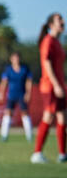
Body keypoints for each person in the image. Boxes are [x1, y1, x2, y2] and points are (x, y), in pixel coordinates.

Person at [31, 12, 66, 164]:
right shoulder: (48, 41)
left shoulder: (58, 42)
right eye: (60, 20)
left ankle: (62, 154)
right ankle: (37, 153)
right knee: (49, 116)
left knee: (63, 116)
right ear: (51, 25)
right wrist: (57, 84)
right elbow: (47, 64)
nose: (63, 22)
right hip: (50, 86)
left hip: (58, 85)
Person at [0, 51, 33, 142]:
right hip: (11, 95)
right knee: (8, 114)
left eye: (17, 58)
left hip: (22, 95)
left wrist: (28, 93)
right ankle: (4, 136)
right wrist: (1, 93)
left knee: (25, 114)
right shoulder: (8, 70)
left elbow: (29, 82)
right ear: (11, 59)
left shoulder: (25, 69)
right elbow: (4, 82)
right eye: (14, 58)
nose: (16, 60)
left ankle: (29, 135)